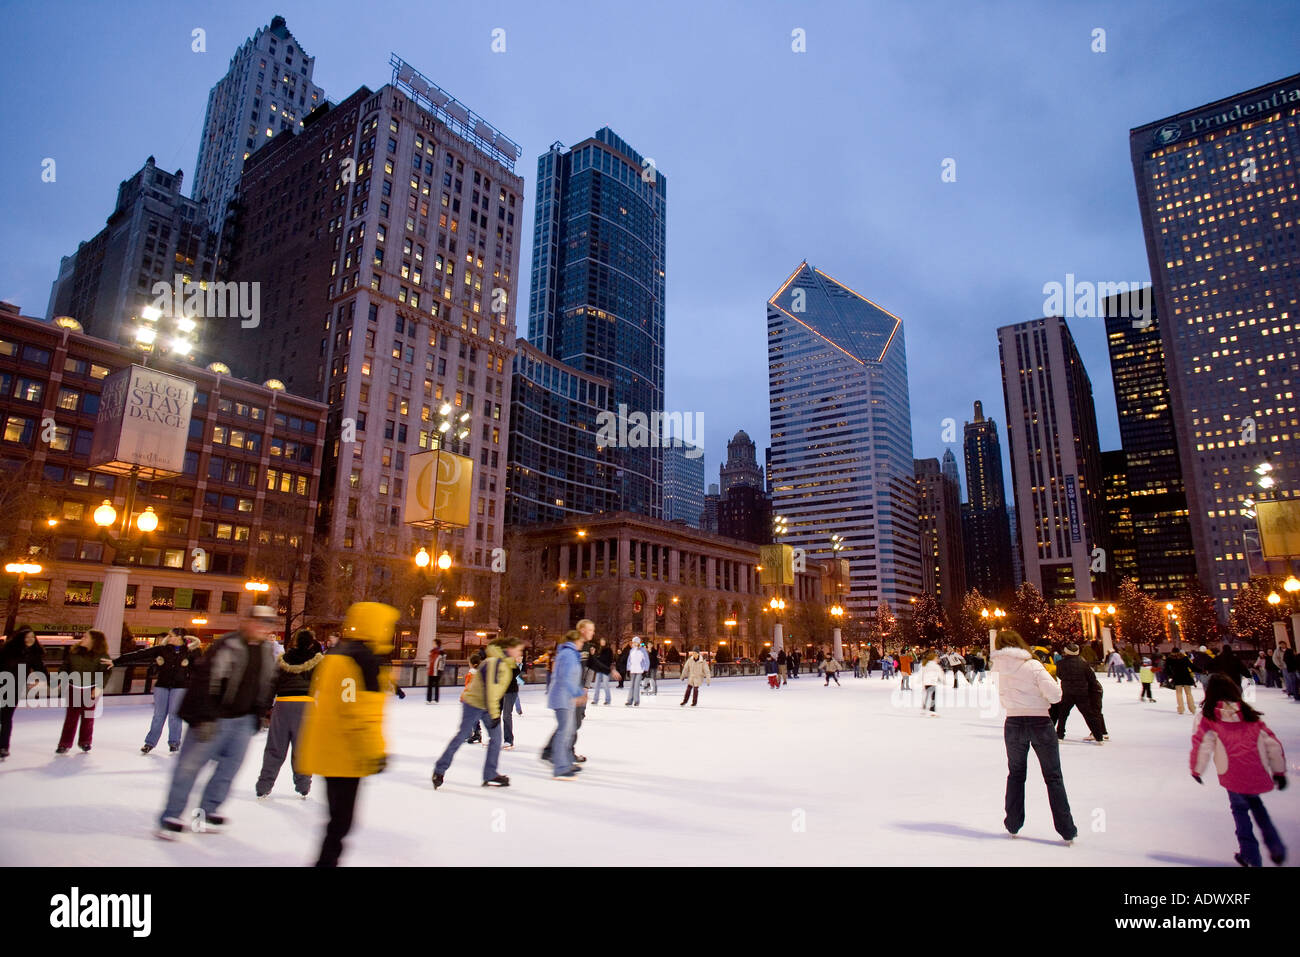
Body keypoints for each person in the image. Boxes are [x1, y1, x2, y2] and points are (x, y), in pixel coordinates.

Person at [157, 605, 278, 840]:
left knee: (228, 770)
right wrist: (204, 716)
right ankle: (171, 815)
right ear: (247, 622)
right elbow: (205, 680)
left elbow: (266, 683)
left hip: (243, 720)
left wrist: (259, 714)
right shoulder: (228, 644)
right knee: (189, 767)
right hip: (213, 717)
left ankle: (208, 811)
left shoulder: (265, 650)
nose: (263, 628)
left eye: (268, 624)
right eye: (260, 623)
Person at [297, 602, 398, 867]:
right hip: (347, 753)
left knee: (337, 820)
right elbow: (359, 713)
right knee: (341, 822)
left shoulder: (336, 653)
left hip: (328, 747)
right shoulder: (363, 661)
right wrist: (374, 751)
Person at [1190, 673, 1287, 867]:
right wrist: (1278, 771)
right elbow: (1272, 744)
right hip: (1254, 769)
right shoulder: (1248, 713)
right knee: (1258, 808)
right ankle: (1276, 847)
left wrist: (1196, 770)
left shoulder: (1208, 716)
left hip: (1232, 773)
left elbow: (1202, 745)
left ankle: (1250, 855)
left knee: (1240, 812)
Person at [990, 630, 1077, 844]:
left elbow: (1002, 697)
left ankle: (1012, 822)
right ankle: (1066, 829)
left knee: (1016, 774)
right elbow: (1056, 695)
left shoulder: (999, 670)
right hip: (1039, 721)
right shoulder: (1033, 665)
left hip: (1013, 723)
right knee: (1053, 776)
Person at [432, 635, 523, 789]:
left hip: (487, 705)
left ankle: (490, 773)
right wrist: (495, 714)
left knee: (496, 738)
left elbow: (497, 691)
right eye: (519, 650)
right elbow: (491, 689)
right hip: (474, 703)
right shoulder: (496, 663)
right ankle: (439, 770)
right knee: (462, 736)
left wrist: (493, 712)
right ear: (510, 649)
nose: (521, 653)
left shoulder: (505, 665)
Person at [256, 628, 324, 799]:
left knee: (275, 748)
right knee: (302, 748)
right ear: (311, 643)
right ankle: (303, 786)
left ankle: (264, 786)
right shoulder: (317, 661)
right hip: (306, 706)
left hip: (283, 705)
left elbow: (271, 684)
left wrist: (266, 708)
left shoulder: (282, 660)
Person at [117, 628, 200, 754]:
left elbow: (199, 668)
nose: (169, 637)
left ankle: (174, 743)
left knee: (174, 715)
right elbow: (139, 654)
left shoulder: (192, 651)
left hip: (180, 686)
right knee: (158, 716)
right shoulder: (162, 650)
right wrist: (115, 661)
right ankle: (149, 743)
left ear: (180, 637)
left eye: (171, 635)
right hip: (162, 686)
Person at [55, 629, 114, 754]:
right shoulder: (74, 653)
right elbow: (64, 668)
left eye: (86, 637)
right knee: (71, 717)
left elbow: (106, 672)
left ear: (94, 641)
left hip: (90, 690)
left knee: (87, 717)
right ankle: (64, 744)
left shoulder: (102, 656)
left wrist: (98, 687)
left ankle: (85, 742)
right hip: (73, 688)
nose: (83, 638)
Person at [0, 625, 48, 759]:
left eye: (33, 637)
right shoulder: (7, 650)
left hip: (14, 689)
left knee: (6, 718)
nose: (30, 639)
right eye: (27, 637)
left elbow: (40, 669)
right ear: (20, 638)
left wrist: (52, 681)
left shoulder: (33, 655)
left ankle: (3, 747)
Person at [547, 629, 588, 780]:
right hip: (562, 698)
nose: (582, 644)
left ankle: (566, 762)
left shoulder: (570, 654)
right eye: (581, 642)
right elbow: (565, 678)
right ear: (575, 641)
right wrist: (578, 693)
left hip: (566, 698)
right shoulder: (569, 655)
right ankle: (560, 767)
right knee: (564, 732)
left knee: (568, 731)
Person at [1054, 642, 1105, 744]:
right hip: (1082, 693)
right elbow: (1091, 677)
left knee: (1063, 715)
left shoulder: (1060, 663)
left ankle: (1060, 735)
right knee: (1088, 715)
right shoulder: (1084, 663)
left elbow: (1059, 675)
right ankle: (1099, 736)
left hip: (1067, 692)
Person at [501, 645, 524, 750]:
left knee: (506, 715)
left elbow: (516, 673)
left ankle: (508, 740)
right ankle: (496, 738)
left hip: (510, 692)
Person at [1164, 648, 1198, 715]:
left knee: (1179, 693)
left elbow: (1167, 669)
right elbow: (1192, 666)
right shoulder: (1184, 658)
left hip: (1177, 677)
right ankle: (1192, 709)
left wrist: (1171, 676)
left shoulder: (1169, 659)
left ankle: (1181, 709)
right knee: (1188, 693)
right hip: (1186, 676)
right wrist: (1201, 670)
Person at [589, 635, 613, 705]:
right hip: (599, 670)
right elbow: (595, 659)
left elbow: (608, 659)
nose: (602, 642)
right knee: (597, 685)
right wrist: (593, 655)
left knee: (606, 685)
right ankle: (595, 700)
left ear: (606, 642)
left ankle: (608, 700)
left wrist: (599, 658)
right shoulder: (598, 649)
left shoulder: (608, 650)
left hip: (605, 669)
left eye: (603, 641)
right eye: (601, 641)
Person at [625, 637, 648, 707]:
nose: (634, 643)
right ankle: (629, 700)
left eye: (635, 642)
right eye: (633, 642)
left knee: (636, 686)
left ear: (638, 642)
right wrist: (628, 669)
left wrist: (645, 670)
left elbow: (646, 661)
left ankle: (636, 701)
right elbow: (629, 660)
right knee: (631, 686)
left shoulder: (643, 650)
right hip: (632, 670)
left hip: (640, 670)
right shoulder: (631, 650)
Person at [426, 639, 445, 704]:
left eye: (433, 643)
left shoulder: (441, 652)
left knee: (436, 685)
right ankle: (428, 699)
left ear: (436, 643)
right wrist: (428, 666)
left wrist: (440, 670)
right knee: (430, 685)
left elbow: (443, 662)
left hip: (437, 671)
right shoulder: (431, 651)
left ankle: (436, 699)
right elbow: (429, 660)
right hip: (431, 670)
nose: (432, 644)